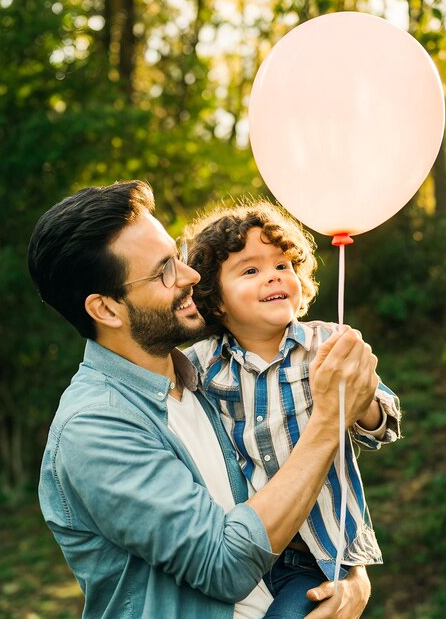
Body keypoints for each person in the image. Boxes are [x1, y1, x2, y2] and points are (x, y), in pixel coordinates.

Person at [27, 180, 381, 619]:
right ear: (106, 310)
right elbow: (224, 566)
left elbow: (288, 495)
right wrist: (328, 420)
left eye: (177, 256)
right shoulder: (95, 428)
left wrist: (347, 572)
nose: (191, 276)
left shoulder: (208, 380)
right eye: (164, 272)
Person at [183, 201, 402, 618]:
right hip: (242, 544)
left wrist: (358, 402)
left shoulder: (327, 343)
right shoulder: (200, 364)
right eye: (250, 270)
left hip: (318, 554)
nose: (273, 275)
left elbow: (385, 425)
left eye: (282, 265)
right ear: (216, 301)